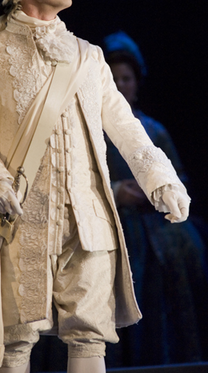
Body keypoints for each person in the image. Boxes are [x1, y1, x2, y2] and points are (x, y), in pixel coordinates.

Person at [0, 0, 190, 373]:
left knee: (90, 337)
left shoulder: (88, 56)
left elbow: (125, 125)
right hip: (19, 218)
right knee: (13, 341)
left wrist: (161, 178)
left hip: (90, 219)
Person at [103, 31, 208, 367]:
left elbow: (180, 179)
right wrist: (118, 189)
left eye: (127, 78)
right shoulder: (91, 131)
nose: (121, 85)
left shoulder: (153, 130)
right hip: (113, 225)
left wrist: (158, 190)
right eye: (114, 78)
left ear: (137, 82)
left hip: (156, 228)